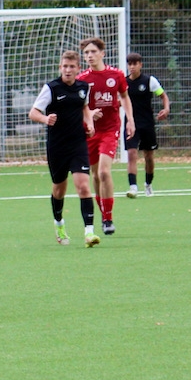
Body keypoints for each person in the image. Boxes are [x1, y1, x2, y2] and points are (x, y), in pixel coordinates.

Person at [29, 50, 99, 248]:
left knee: (83, 186)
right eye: (65, 66)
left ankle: (89, 232)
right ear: (60, 67)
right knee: (59, 190)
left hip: (78, 144)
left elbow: (84, 107)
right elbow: (33, 112)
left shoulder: (83, 87)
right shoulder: (51, 88)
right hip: (57, 146)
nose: (68, 70)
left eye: (72, 67)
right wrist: (45, 119)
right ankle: (59, 223)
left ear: (78, 68)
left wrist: (90, 123)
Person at [78, 37, 135, 236]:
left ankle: (108, 218)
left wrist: (130, 120)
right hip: (90, 131)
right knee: (95, 175)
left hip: (110, 129)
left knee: (104, 172)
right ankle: (103, 214)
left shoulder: (116, 75)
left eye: (93, 52)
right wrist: (89, 114)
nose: (90, 56)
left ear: (102, 53)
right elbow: (78, 107)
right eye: (86, 53)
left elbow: (124, 97)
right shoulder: (82, 80)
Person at [123, 52, 170, 198]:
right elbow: (119, 101)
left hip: (147, 124)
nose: (132, 67)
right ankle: (133, 187)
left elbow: (163, 96)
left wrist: (166, 109)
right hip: (131, 124)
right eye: (130, 64)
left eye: (135, 64)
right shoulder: (123, 83)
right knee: (131, 153)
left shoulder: (150, 81)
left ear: (140, 65)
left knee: (148, 156)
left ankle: (148, 184)